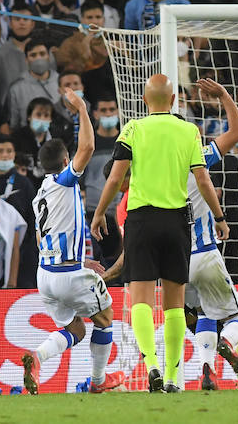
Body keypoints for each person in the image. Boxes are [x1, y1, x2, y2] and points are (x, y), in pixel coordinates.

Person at [91, 76, 228, 393]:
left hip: (141, 219)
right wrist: (219, 216)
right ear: (173, 100)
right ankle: (170, 376)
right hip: (177, 221)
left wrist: (99, 212)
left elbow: (115, 178)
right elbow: (204, 180)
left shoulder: (133, 130)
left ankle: (150, 363)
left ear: (143, 99)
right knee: (174, 304)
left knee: (139, 298)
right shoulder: (188, 131)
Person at [22, 89, 126, 395]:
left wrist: (81, 263)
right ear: (66, 161)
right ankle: (98, 381)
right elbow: (89, 146)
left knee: (76, 329)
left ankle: (37, 356)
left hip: (47, 275)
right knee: (105, 319)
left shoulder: (40, 193)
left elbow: (46, 239)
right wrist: (82, 107)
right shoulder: (64, 182)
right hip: (67, 275)